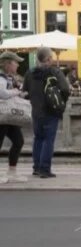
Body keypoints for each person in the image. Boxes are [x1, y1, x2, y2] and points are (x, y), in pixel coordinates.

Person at [22, 47, 70, 178]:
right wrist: (60, 101)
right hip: (51, 111)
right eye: (52, 57)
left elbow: (24, 92)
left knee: (38, 138)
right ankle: (45, 169)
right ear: (48, 59)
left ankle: (36, 167)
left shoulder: (29, 73)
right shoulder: (55, 72)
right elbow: (66, 89)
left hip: (35, 111)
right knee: (48, 140)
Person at [0, 52, 28, 183]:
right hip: (1, 116)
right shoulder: (1, 78)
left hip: (9, 116)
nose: (17, 64)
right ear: (7, 64)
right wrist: (16, 92)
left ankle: (12, 172)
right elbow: (3, 94)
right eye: (15, 62)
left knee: (18, 141)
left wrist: (21, 94)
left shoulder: (10, 78)